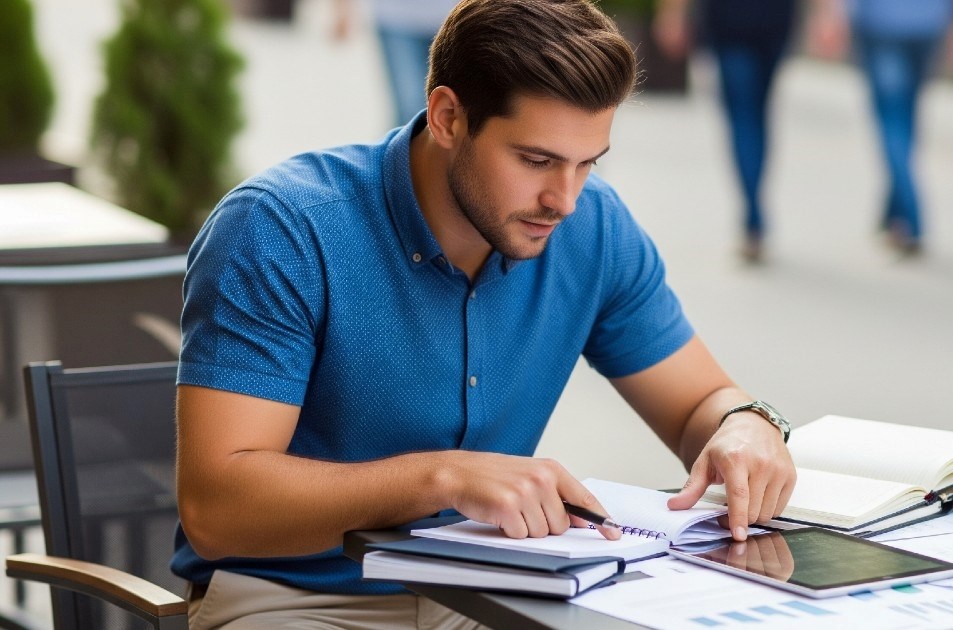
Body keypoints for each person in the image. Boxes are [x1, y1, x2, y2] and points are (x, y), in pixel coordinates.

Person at [175, 0, 797, 627]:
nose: (565, 200)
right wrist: (444, 479)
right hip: (294, 601)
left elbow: (700, 403)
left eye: (588, 163)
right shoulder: (282, 228)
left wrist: (746, 424)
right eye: (535, 160)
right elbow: (216, 511)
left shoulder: (595, 229)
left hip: (496, 594)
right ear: (448, 117)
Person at [808, 0, 953, 256]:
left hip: (883, 23)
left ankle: (911, 214)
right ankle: (894, 214)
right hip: (926, 20)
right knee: (905, 114)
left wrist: (830, 13)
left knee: (893, 116)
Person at [654, 0, 798, 264]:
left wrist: (672, 15)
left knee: (744, 116)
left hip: (738, 18)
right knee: (755, 115)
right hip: (767, 17)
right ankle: (754, 211)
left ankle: (753, 217)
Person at [333, 0, 458, 127]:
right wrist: (342, 8)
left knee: (454, 106)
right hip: (396, 19)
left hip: (453, 15)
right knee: (410, 106)